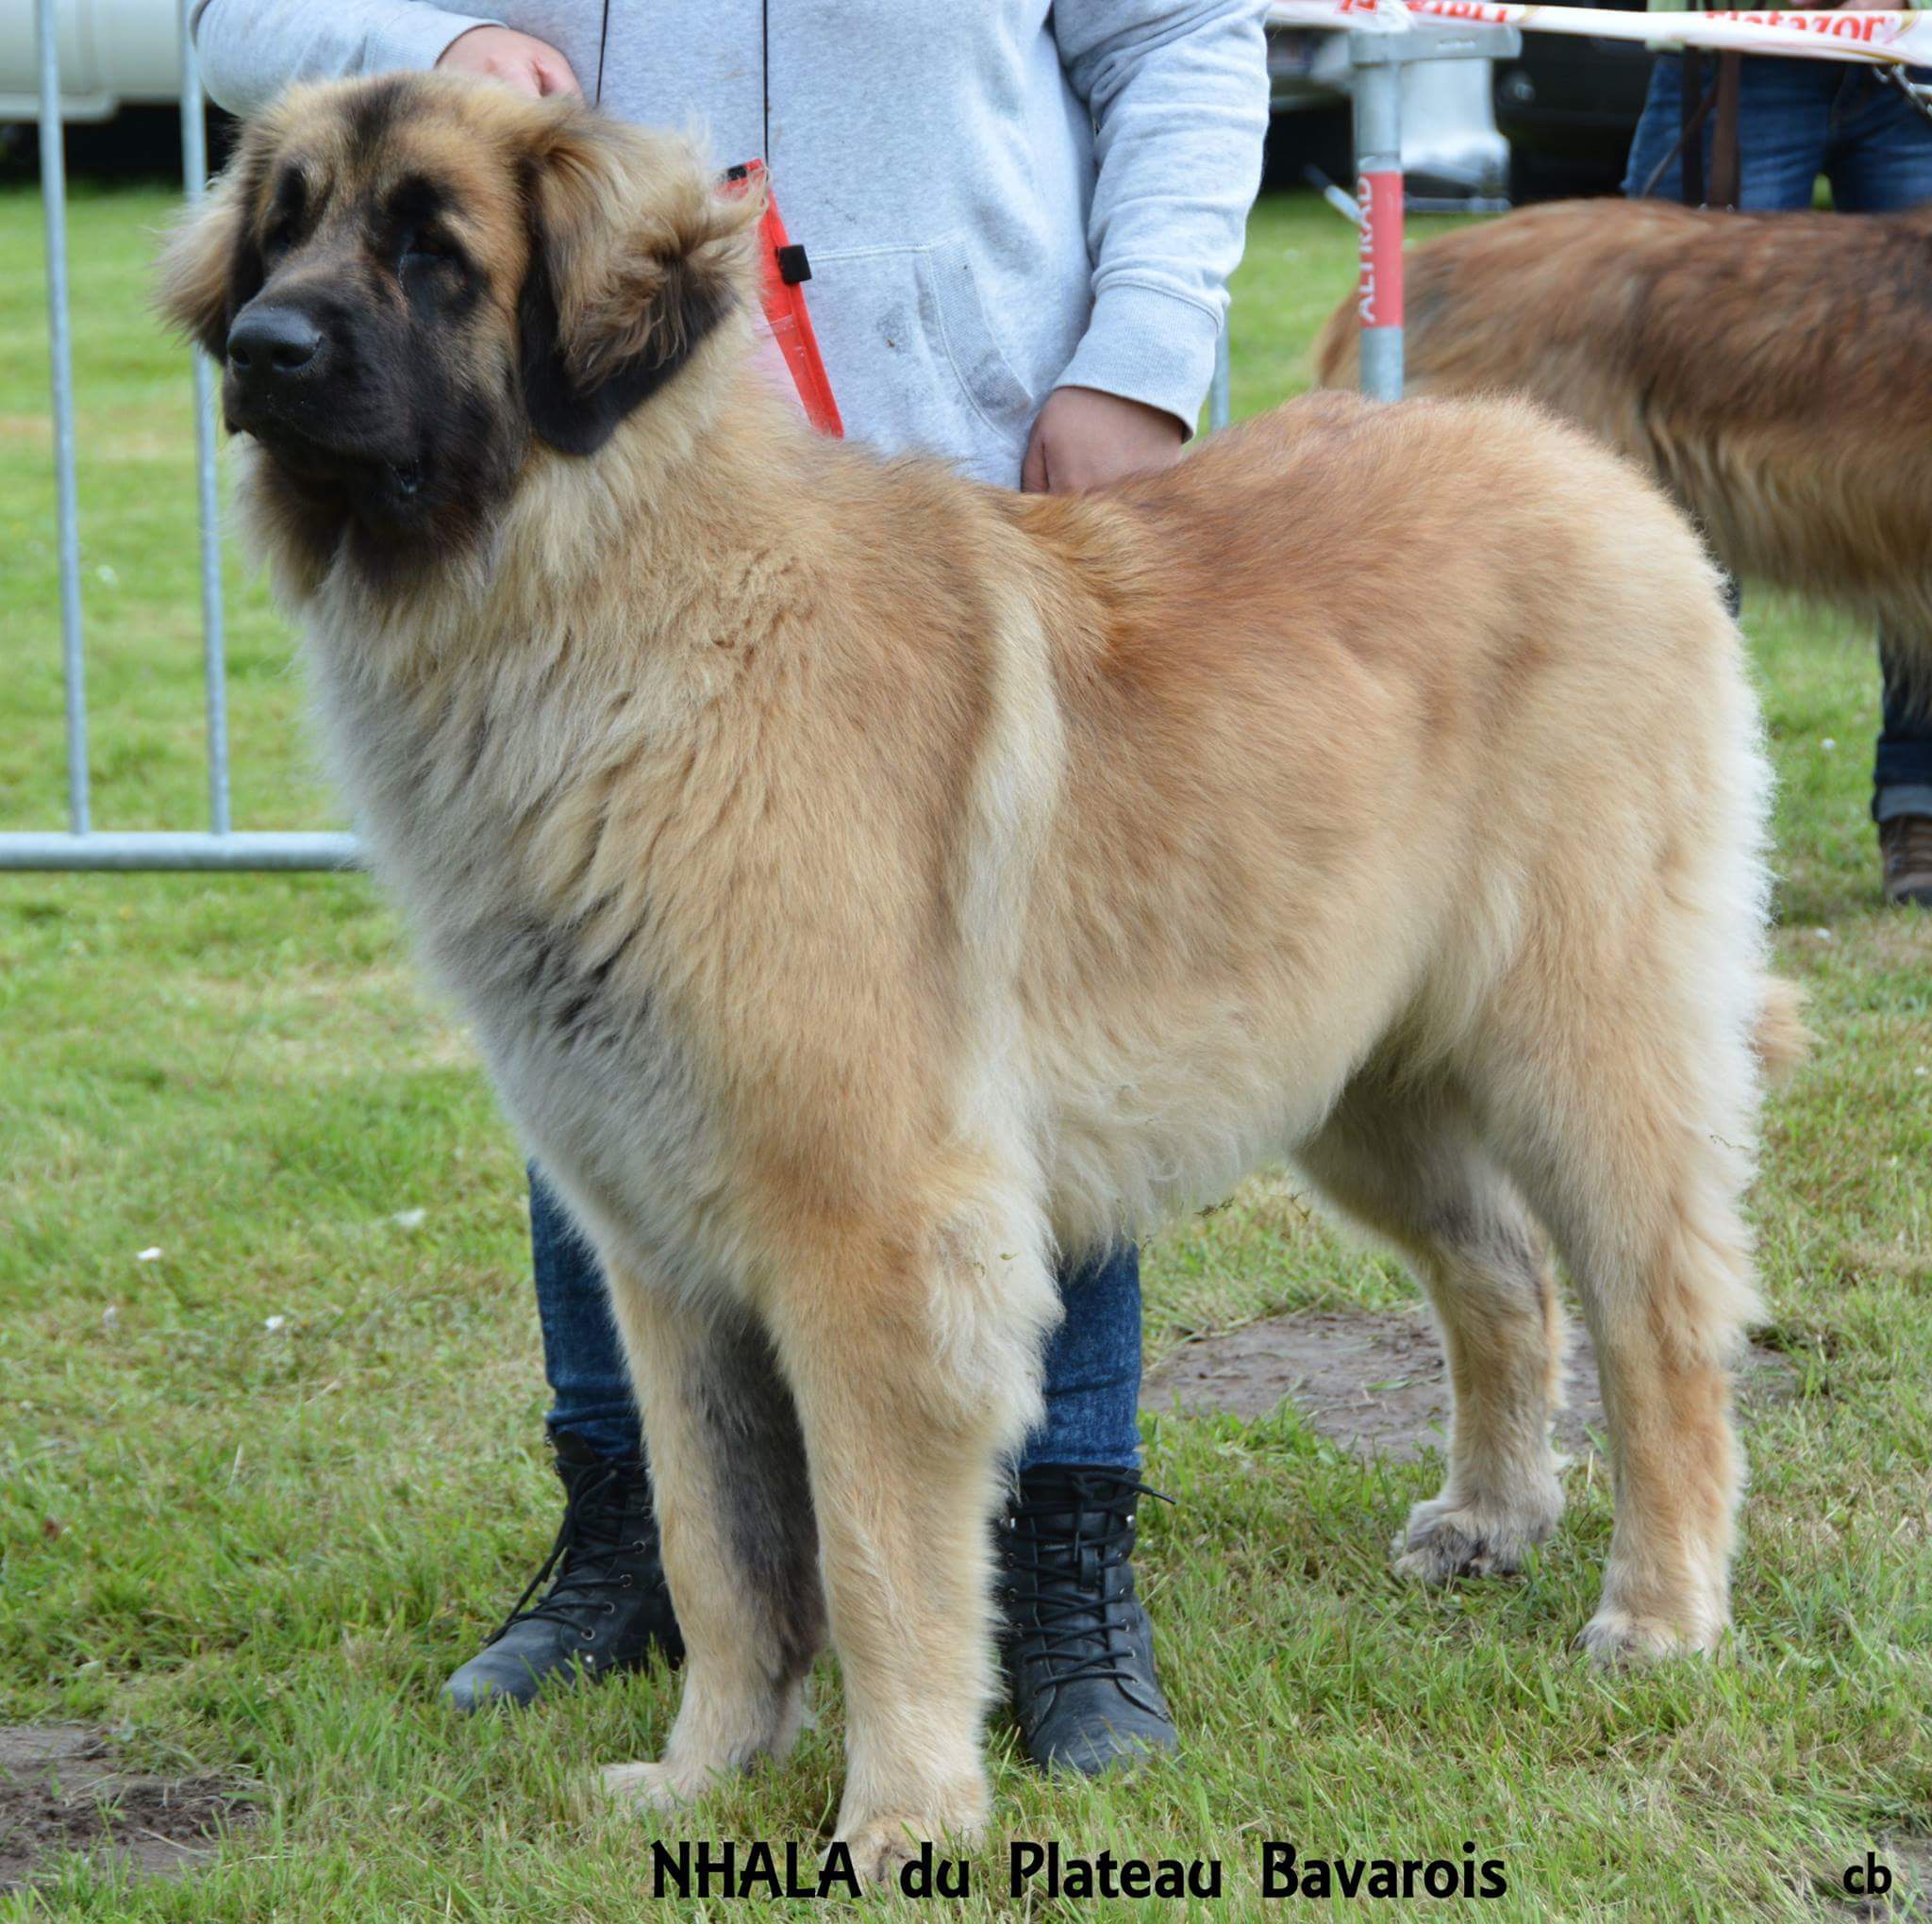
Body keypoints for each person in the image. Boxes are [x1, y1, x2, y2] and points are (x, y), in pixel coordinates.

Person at [189, 0, 1270, 1774]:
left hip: (940, 437)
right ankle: (659, 1553)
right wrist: (441, 33)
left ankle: (1059, 1540)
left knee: (955, 1094)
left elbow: (1180, 32)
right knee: (604, 1070)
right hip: (542, 485)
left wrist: (1140, 348)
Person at [1624, 8, 1932, 907]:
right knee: (1666, 462)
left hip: (1915, 54)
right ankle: (1652, 811)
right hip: (1741, 51)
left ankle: (1919, 804)